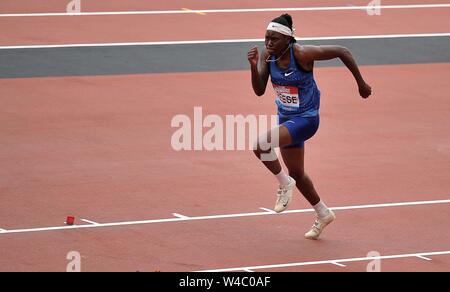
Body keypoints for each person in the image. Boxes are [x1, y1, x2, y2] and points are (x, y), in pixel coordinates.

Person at [248, 14, 372, 240]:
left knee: (260, 144)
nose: (268, 44)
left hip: (306, 119)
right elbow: (259, 90)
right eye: (266, 38)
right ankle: (323, 213)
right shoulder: (268, 55)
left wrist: (361, 84)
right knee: (297, 172)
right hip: (286, 118)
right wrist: (253, 66)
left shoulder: (302, 54)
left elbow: (343, 51)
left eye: (274, 39)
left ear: (288, 39)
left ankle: (285, 185)